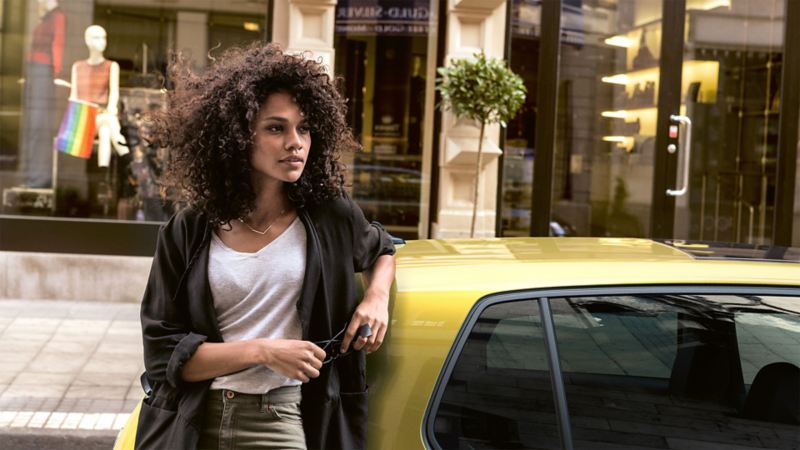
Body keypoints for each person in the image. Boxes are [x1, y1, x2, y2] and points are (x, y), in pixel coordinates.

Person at [137, 43, 396, 450]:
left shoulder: (330, 216)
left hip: (281, 417)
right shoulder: (187, 230)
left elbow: (382, 248)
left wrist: (376, 298)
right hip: (192, 421)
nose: (296, 142)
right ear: (238, 138)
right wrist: (263, 351)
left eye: (304, 128)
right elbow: (164, 356)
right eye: (276, 128)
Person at [69, 24, 130, 166]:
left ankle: (103, 170)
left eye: (104, 38)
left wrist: (112, 109)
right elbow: (73, 97)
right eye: (97, 38)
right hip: (83, 118)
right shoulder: (77, 67)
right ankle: (127, 156)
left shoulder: (111, 66)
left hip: (102, 117)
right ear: (87, 40)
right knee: (107, 122)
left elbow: (114, 93)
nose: (102, 41)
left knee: (105, 130)